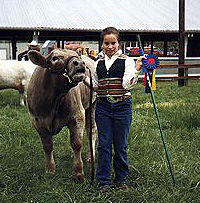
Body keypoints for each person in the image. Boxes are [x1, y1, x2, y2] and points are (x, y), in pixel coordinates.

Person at [84, 27, 143, 192]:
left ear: (119, 43)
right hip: (102, 106)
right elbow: (96, 86)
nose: (110, 46)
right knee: (103, 144)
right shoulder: (98, 63)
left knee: (121, 145)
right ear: (101, 44)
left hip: (122, 106)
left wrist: (137, 70)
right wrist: (84, 78)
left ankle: (121, 179)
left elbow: (126, 85)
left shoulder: (127, 61)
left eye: (113, 43)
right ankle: (103, 181)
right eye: (106, 43)